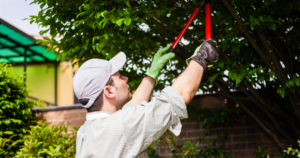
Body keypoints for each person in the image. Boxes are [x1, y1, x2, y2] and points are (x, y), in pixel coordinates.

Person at [73, 39, 219, 158]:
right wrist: (201, 58)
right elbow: (179, 96)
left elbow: (131, 112)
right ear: (109, 91)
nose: (126, 78)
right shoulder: (119, 126)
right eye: (119, 77)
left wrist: (152, 74)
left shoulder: (86, 131)